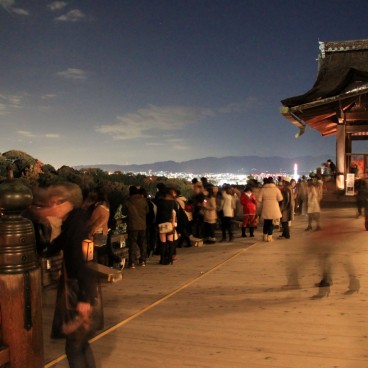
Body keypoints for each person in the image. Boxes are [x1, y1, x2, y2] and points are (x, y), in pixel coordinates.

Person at [35, 182, 100, 368]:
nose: (50, 207)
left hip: (77, 290)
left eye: (52, 203)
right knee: (80, 343)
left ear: (64, 202)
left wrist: (85, 298)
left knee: (74, 347)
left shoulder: (76, 226)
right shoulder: (73, 221)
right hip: (77, 288)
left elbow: (83, 263)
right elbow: (56, 245)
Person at [123, 186, 149, 268]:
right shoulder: (143, 200)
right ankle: (143, 260)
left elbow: (123, 212)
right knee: (142, 243)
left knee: (132, 244)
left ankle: (132, 262)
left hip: (132, 225)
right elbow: (147, 211)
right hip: (142, 225)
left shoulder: (128, 201)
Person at [156, 187, 179, 265]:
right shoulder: (173, 202)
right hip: (170, 224)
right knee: (171, 241)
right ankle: (170, 258)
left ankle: (162, 259)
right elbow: (176, 212)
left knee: (163, 242)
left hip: (162, 223)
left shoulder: (160, 202)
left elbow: (158, 214)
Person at [258, 177, 283, 242]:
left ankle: (264, 237)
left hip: (266, 207)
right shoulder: (276, 189)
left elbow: (259, 199)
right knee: (272, 223)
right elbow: (280, 199)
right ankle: (269, 237)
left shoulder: (263, 189)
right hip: (274, 207)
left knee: (266, 222)